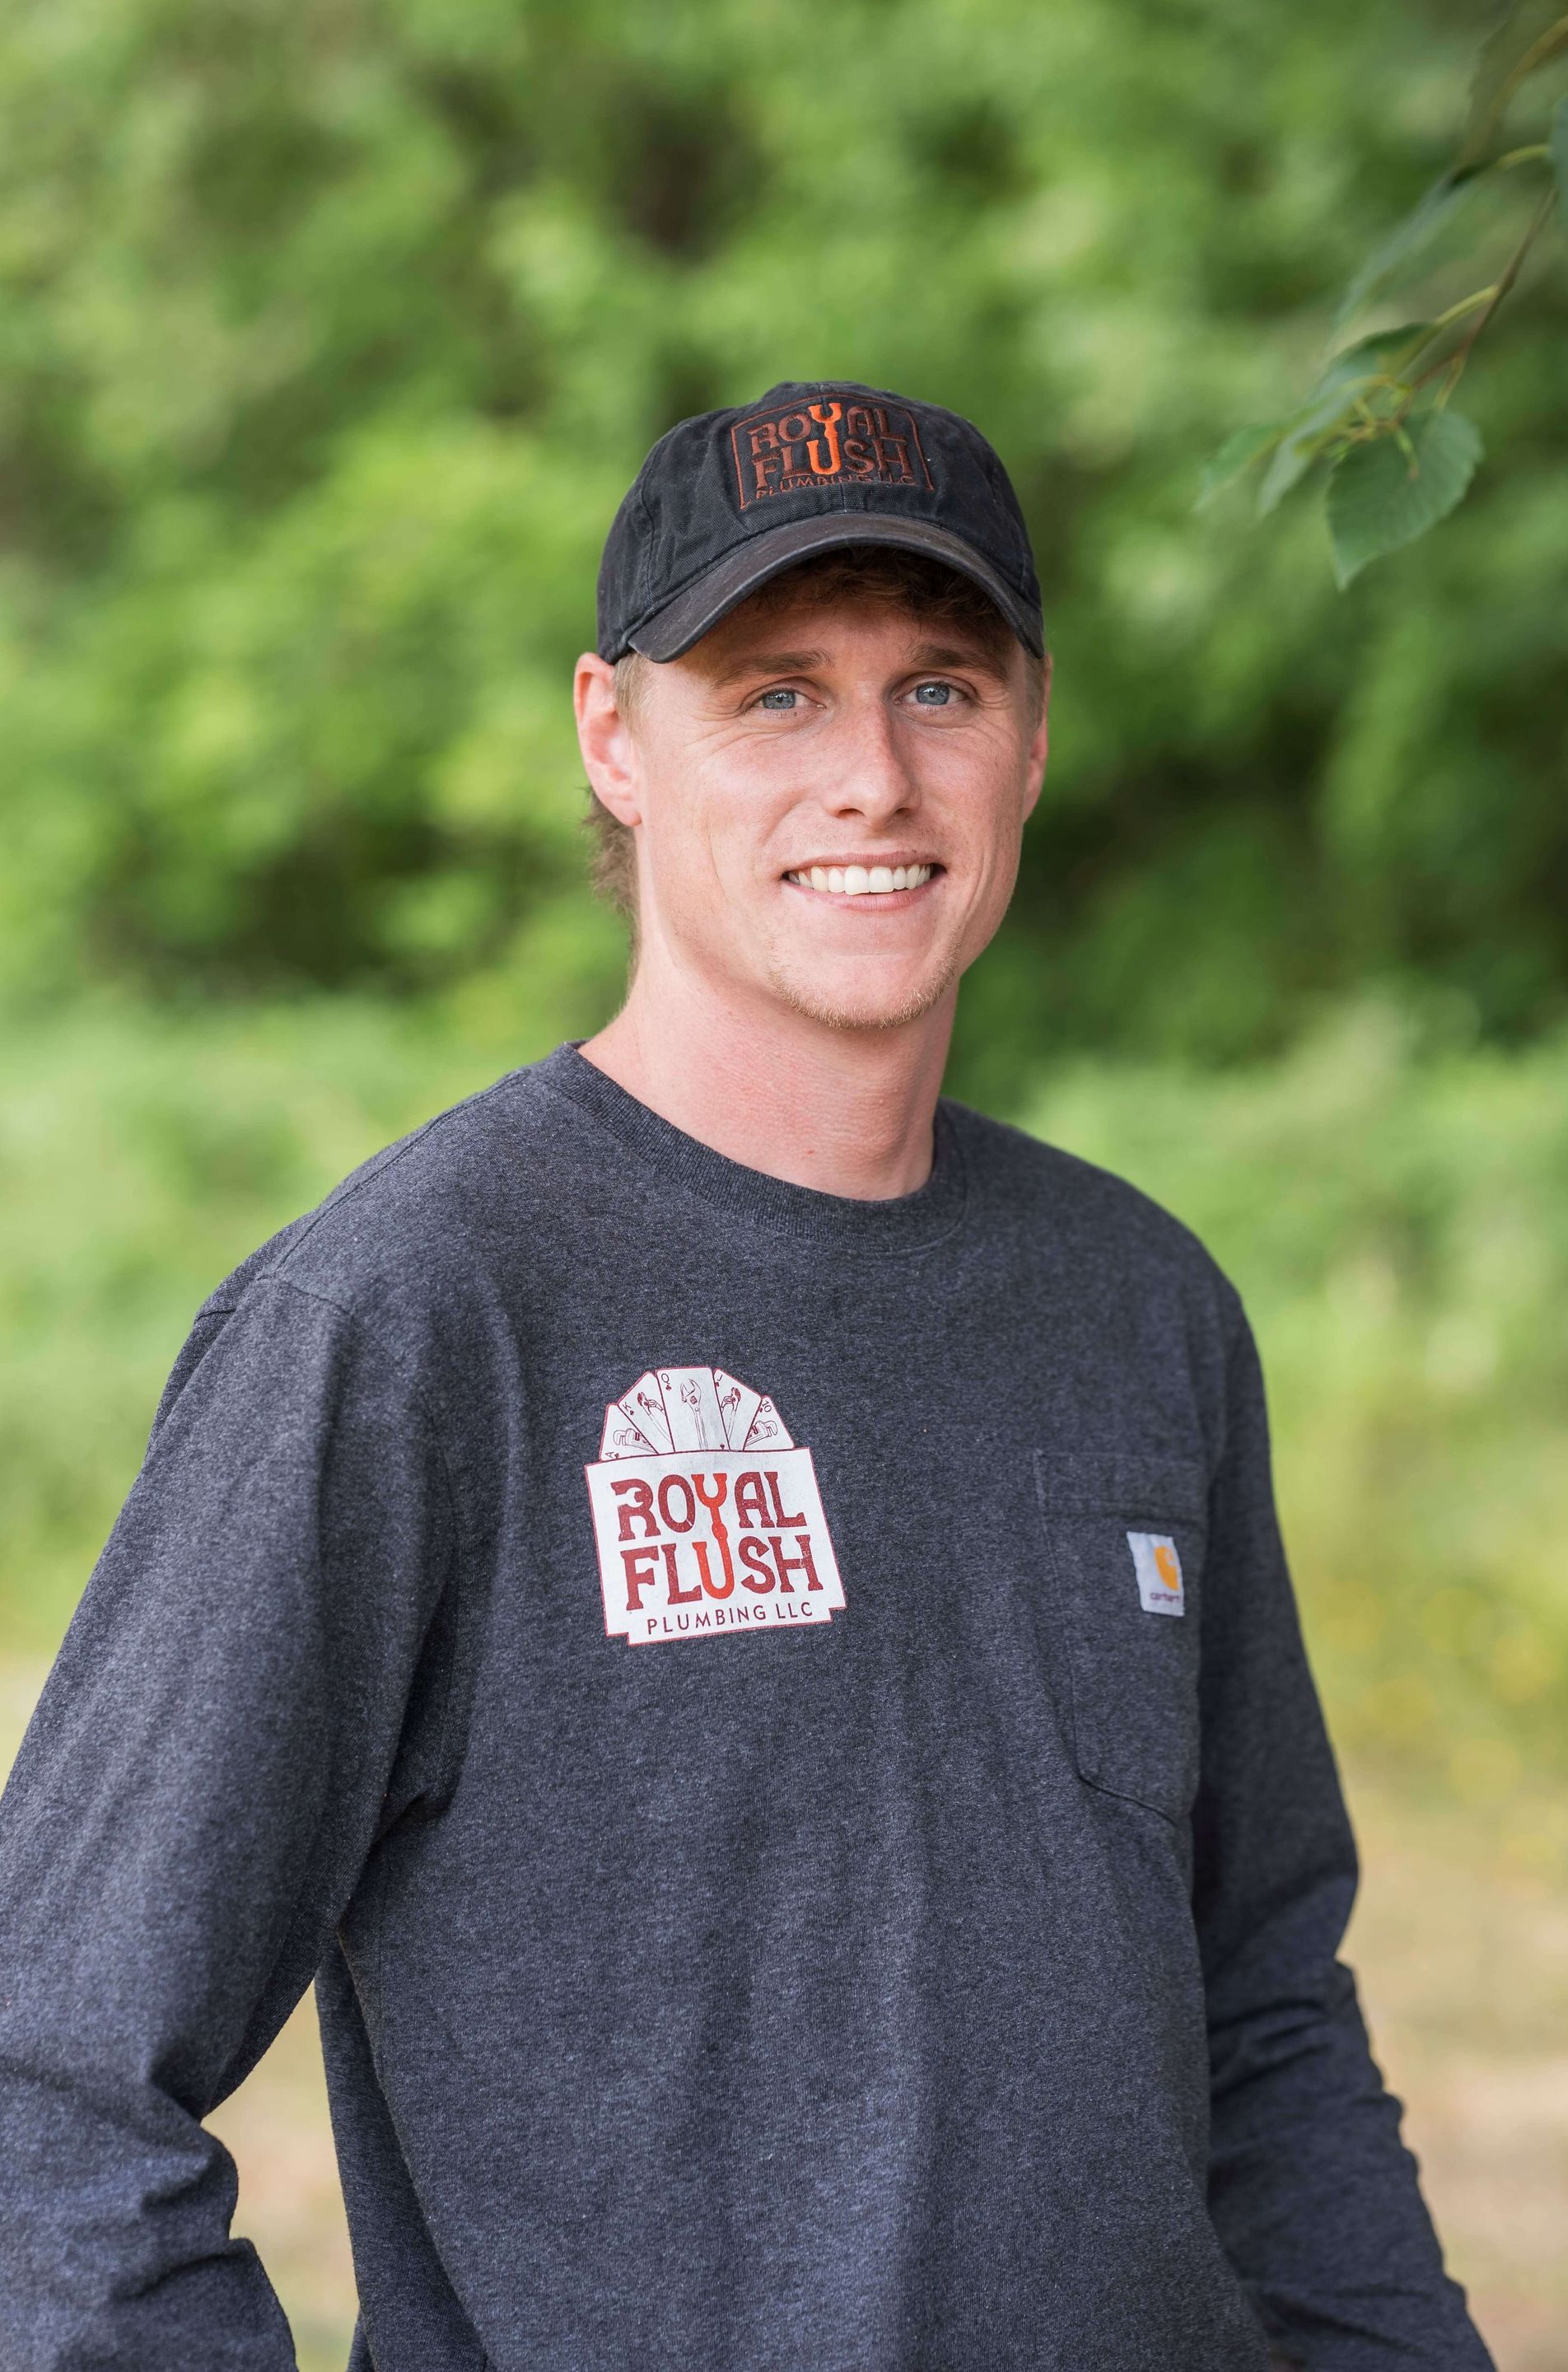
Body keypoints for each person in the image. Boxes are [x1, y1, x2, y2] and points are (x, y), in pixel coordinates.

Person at [0, 381, 1492, 2372]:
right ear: (615, 740)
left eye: (940, 689)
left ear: (1035, 738)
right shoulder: (412, 1318)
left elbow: (1270, 2012)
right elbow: (48, 2080)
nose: (873, 776)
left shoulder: (1141, 1305)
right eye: (776, 693)